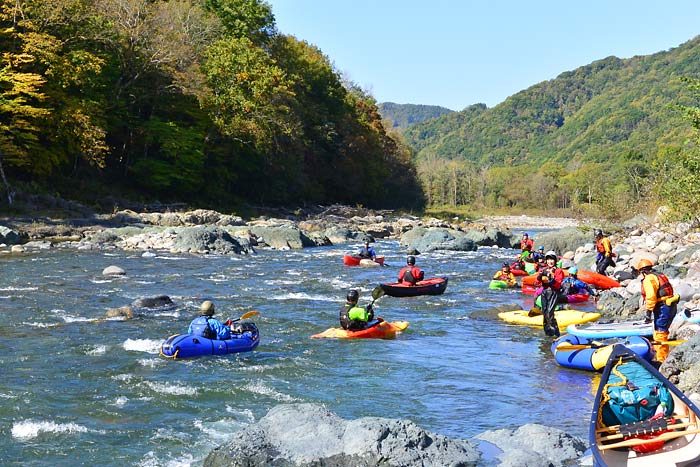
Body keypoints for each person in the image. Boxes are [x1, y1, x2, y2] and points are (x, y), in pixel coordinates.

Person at [638, 259, 680, 362]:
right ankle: (663, 355)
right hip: (671, 305)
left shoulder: (649, 279)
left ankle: (661, 359)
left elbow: (651, 296)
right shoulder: (659, 275)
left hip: (663, 307)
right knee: (662, 331)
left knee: (659, 333)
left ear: (642, 271)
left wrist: (648, 313)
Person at [535, 250, 565, 337]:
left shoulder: (558, 271)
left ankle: (556, 333)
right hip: (545, 292)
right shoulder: (543, 270)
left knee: (549, 313)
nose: (550, 262)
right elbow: (536, 283)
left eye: (552, 259)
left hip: (554, 293)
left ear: (555, 261)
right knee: (545, 314)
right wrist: (540, 276)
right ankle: (548, 334)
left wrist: (551, 280)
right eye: (548, 259)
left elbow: (558, 283)